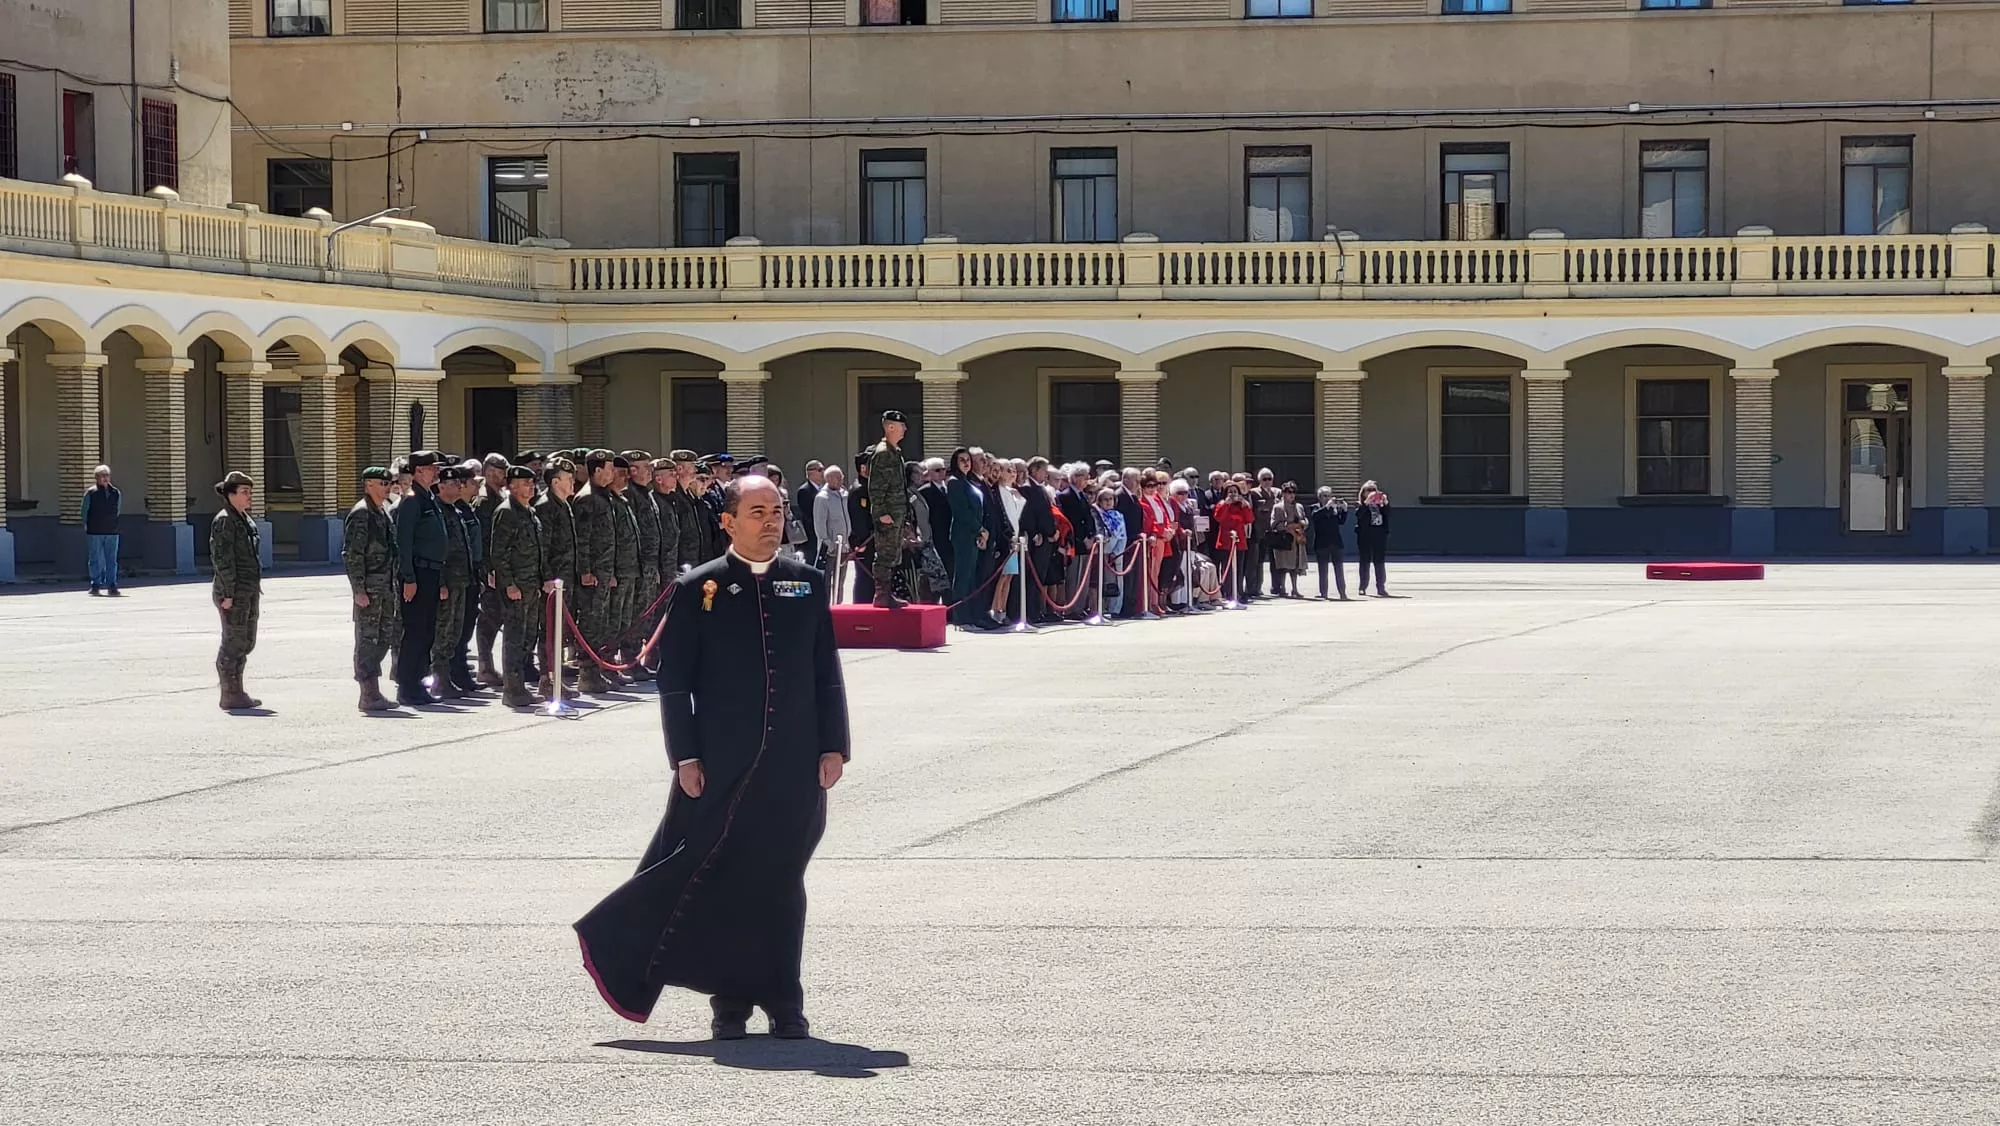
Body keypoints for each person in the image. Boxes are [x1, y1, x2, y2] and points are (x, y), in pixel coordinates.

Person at [574, 474, 850, 1041]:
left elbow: (826, 671)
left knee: (780, 879)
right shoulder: (697, 588)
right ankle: (730, 1005)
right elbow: (675, 683)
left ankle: (783, 999)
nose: (771, 521)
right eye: (757, 512)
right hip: (721, 764)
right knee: (720, 876)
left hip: (795, 763)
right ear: (727, 522)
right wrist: (685, 756)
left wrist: (833, 745)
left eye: (775, 511)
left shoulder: (807, 581)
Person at [491, 465, 553, 708]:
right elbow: (499, 553)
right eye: (524, 483)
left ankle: (519, 685)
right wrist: (509, 584)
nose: (530, 486)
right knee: (515, 637)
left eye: (531, 482)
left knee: (527, 636)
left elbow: (539, 551)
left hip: (532, 586)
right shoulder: (506, 512)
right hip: (517, 587)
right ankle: (512, 689)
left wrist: (545, 578)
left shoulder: (530, 512)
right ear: (511, 486)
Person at [393, 451, 449, 708]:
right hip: (418, 573)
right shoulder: (412, 501)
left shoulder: (429, 499)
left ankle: (419, 683)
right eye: (430, 468)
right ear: (417, 472)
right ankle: (407, 686)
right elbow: (403, 543)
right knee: (415, 632)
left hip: (432, 572)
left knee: (427, 632)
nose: (436, 472)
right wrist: (408, 578)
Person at [345, 465, 401, 712]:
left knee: (384, 637)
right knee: (368, 639)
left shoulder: (382, 511)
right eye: (382, 483)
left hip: (386, 586)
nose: (387, 488)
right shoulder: (361, 514)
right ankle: (368, 693)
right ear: (368, 485)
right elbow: (353, 554)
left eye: (388, 483)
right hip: (370, 587)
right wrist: (358, 589)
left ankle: (374, 690)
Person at [209, 471, 263, 711]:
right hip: (233, 592)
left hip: (248, 589)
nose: (249, 496)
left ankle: (238, 689)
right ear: (230, 495)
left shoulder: (244, 519)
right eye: (244, 492)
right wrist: (227, 593)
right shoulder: (225, 520)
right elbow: (222, 560)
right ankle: (229, 692)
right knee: (233, 640)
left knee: (246, 641)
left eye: (250, 492)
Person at [571, 451, 619, 695]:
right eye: (609, 468)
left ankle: (596, 669)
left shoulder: (604, 496)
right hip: (592, 573)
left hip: (604, 569)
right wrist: (585, 571)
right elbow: (583, 539)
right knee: (590, 621)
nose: (613, 473)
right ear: (597, 470)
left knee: (600, 622)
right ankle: (587, 673)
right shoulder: (587, 498)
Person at [430, 466, 477, 700]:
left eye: (460, 483)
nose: (459, 487)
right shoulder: (437, 511)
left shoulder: (454, 510)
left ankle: (447, 677)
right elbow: (439, 551)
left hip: (461, 580)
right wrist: (440, 583)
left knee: (455, 631)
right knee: (444, 632)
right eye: (453, 484)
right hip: (447, 582)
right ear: (441, 487)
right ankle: (439, 679)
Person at [536, 459, 580, 698]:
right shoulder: (546, 507)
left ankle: (556, 678)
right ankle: (547, 679)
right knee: (549, 631)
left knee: (559, 631)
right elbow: (544, 547)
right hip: (553, 581)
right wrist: (546, 577)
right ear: (555, 482)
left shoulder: (563, 504)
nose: (573, 482)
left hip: (565, 579)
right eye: (568, 478)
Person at [865, 411, 911, 609]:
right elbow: (876, 486)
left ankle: (887, 593)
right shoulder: (883, 453)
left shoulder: (894, 452)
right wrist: (881, 512)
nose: (905, 430)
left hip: (896, 513)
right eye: (901, 426)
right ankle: (882, 594)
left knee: (893, 554)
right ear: (890, 427)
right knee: (885, 555)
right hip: (888, 515)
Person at [473, 454, 510, 688]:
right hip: (490, 570)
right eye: (494, 472)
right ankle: (485, 666)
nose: (499, 477)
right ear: (486, 472)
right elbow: (484, 539)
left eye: (501, 472)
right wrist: (487, 570)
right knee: (489, 617)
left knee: (498, 617)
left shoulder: (500, 497)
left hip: (502, 569)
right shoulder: (484, 501)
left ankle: (488, 666)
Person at [944, 448, 987, 626]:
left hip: (974, 534)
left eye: (968, 459)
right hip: (963, 534)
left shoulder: (968, 482)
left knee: (970, 576)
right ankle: (960, 615)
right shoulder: (954, 482)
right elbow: (961, 512)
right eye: (962, 460)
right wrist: (980, 529)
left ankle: (970, 614)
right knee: (962, 576)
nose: (966, 463)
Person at [990, 460, 1026, 625]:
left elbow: (1016, 515)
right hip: (1005, 540)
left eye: (1014, 471)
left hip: (1014, 539)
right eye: (1008, 470)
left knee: (1009, 576)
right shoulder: (997, 491)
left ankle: (1003, 610)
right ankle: (996, 610)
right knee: (1002, 576)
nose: (1013, 473)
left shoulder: (1013, 492)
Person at [82, 464, 122, 596]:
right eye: (102, 476)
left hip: (112, 530)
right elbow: (84, 511)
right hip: (95, 530)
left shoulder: (116, 492)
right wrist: (86, 524)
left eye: (107, 475)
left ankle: (112, 585)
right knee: (95, 559)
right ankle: (95, 584)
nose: (105, 478)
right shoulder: (91, 493)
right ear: (96, 478)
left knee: (112, 559)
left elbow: (118, 510)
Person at [1211, 481, 1254, 601]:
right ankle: (1227, 592)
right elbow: (1218, 517)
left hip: (1239, 542)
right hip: (1226, 542)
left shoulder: (1242, 505)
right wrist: (1226, 504)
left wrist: (1246, 507)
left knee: (1239, 569)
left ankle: (1238, 592)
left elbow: (1249, 519)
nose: (1233, 495)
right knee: (1227, 569)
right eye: (1230, 492)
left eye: (1235, 492)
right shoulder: (1221, 504)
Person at [811, 465, 851, 591]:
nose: (841, 480)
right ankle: (826, 607)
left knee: (840, 581)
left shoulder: (845, 495)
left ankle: (839, 605)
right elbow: (819, 524)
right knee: (827, 581)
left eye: (841, 477)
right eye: (838, 478)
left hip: (844, 546)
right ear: (829, 479)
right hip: (830, 548)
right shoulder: (822, 498)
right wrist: (828, 543)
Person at [1307, 487, 1351, 600]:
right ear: (1320, 497)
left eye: (1329, 496)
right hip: (1322, 543)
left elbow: (1341, 522)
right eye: (1325, 496)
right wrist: (1326, 507)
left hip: (1336, 542)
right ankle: (1323, 593)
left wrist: (1344, 510)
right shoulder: (1315, 507)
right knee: (1323, 570)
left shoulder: (1333, 508)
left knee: (1339, 569)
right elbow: (1315, 517)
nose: (1327, 498)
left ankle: (1342, 593)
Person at [1268, 483, 1308, 598]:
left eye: (1293, 492)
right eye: (1289, 492)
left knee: (1295, 566)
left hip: (1297, 540)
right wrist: (1286, 526)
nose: (1291, 495)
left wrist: (1304, 524)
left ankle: (1295, 589)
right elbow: (1273, 524)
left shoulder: (1299, 506)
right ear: (1284, 493)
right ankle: (1282, 588)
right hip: (1284, 540)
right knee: (1283, 566)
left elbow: (1304, 519)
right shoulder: (1278, 507)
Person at [1093, 487, 1127, 618]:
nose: (1108, 502)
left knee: (1116, 582)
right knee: (1100, 581)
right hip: (1100, 552)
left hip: (1115, 553)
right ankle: (1101, 608)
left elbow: (1122, 535)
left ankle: (1115, 609)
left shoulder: (1119, 515)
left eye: (1110, 499)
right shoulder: (1097, 514)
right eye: (1105, 499)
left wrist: (1116, 553)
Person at [1354, 480, 1392, 597]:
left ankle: (1381, 587)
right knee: (1365, 561)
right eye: (1368, 490)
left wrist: (1385, 503)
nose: (1371, 492)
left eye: (1373, 490)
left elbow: (1388, 514)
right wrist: (1367, 502)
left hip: (1379, 534)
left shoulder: (1380, 504)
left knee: (1379, 561)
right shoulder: (1361, 504)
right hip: (1365, 535)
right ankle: (1362, 587)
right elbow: (1359, 515)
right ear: (1363, 492)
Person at [795, 460, 825, 567]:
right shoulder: (804, 491)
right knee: (812, 563)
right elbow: (809, 514)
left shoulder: (824, 490)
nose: (823, 473)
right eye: (820, 470)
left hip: (823, 534)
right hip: (812, 535)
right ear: (810, 472)